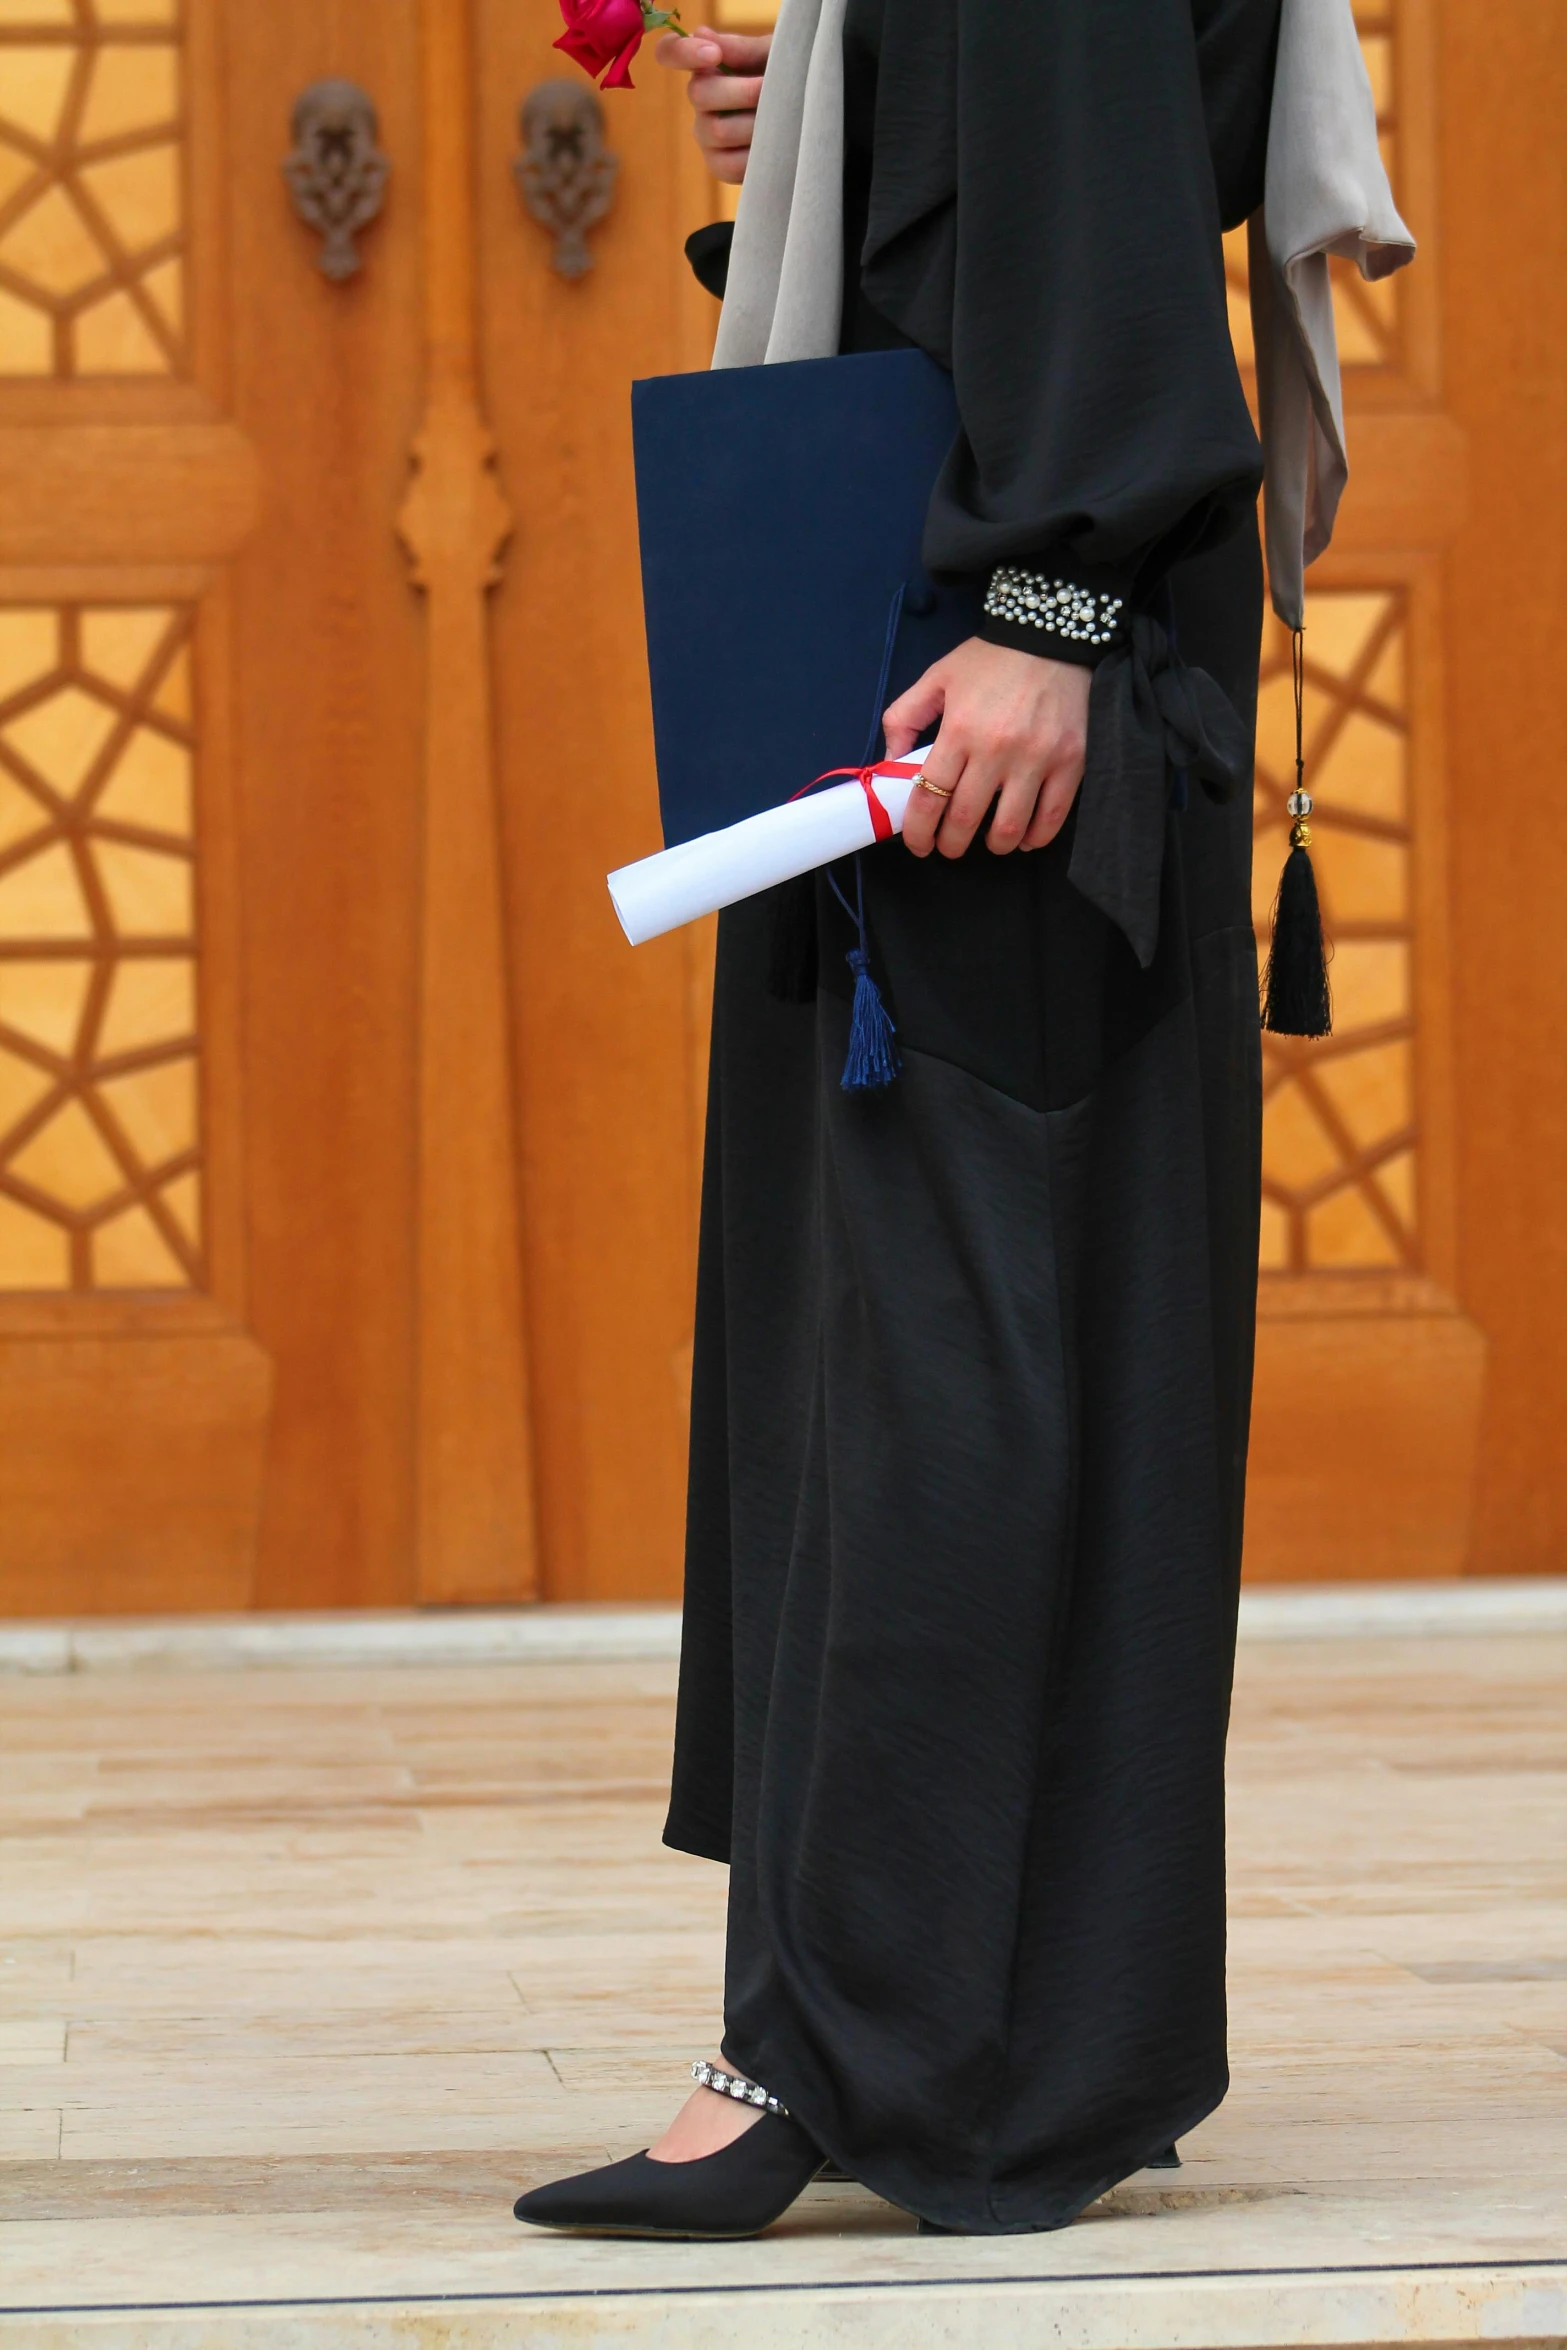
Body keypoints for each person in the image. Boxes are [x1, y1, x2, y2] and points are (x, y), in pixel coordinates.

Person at [515, 0, 1410, 2241]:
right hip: (1005, 614)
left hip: (1004, 656)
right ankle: (1050, 2031)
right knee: (1001, 1304)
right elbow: (1063, 144)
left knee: (955, 1323)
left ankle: (854, 2047)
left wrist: (1051, 592)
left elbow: (1097, 167)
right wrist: (840, 91)